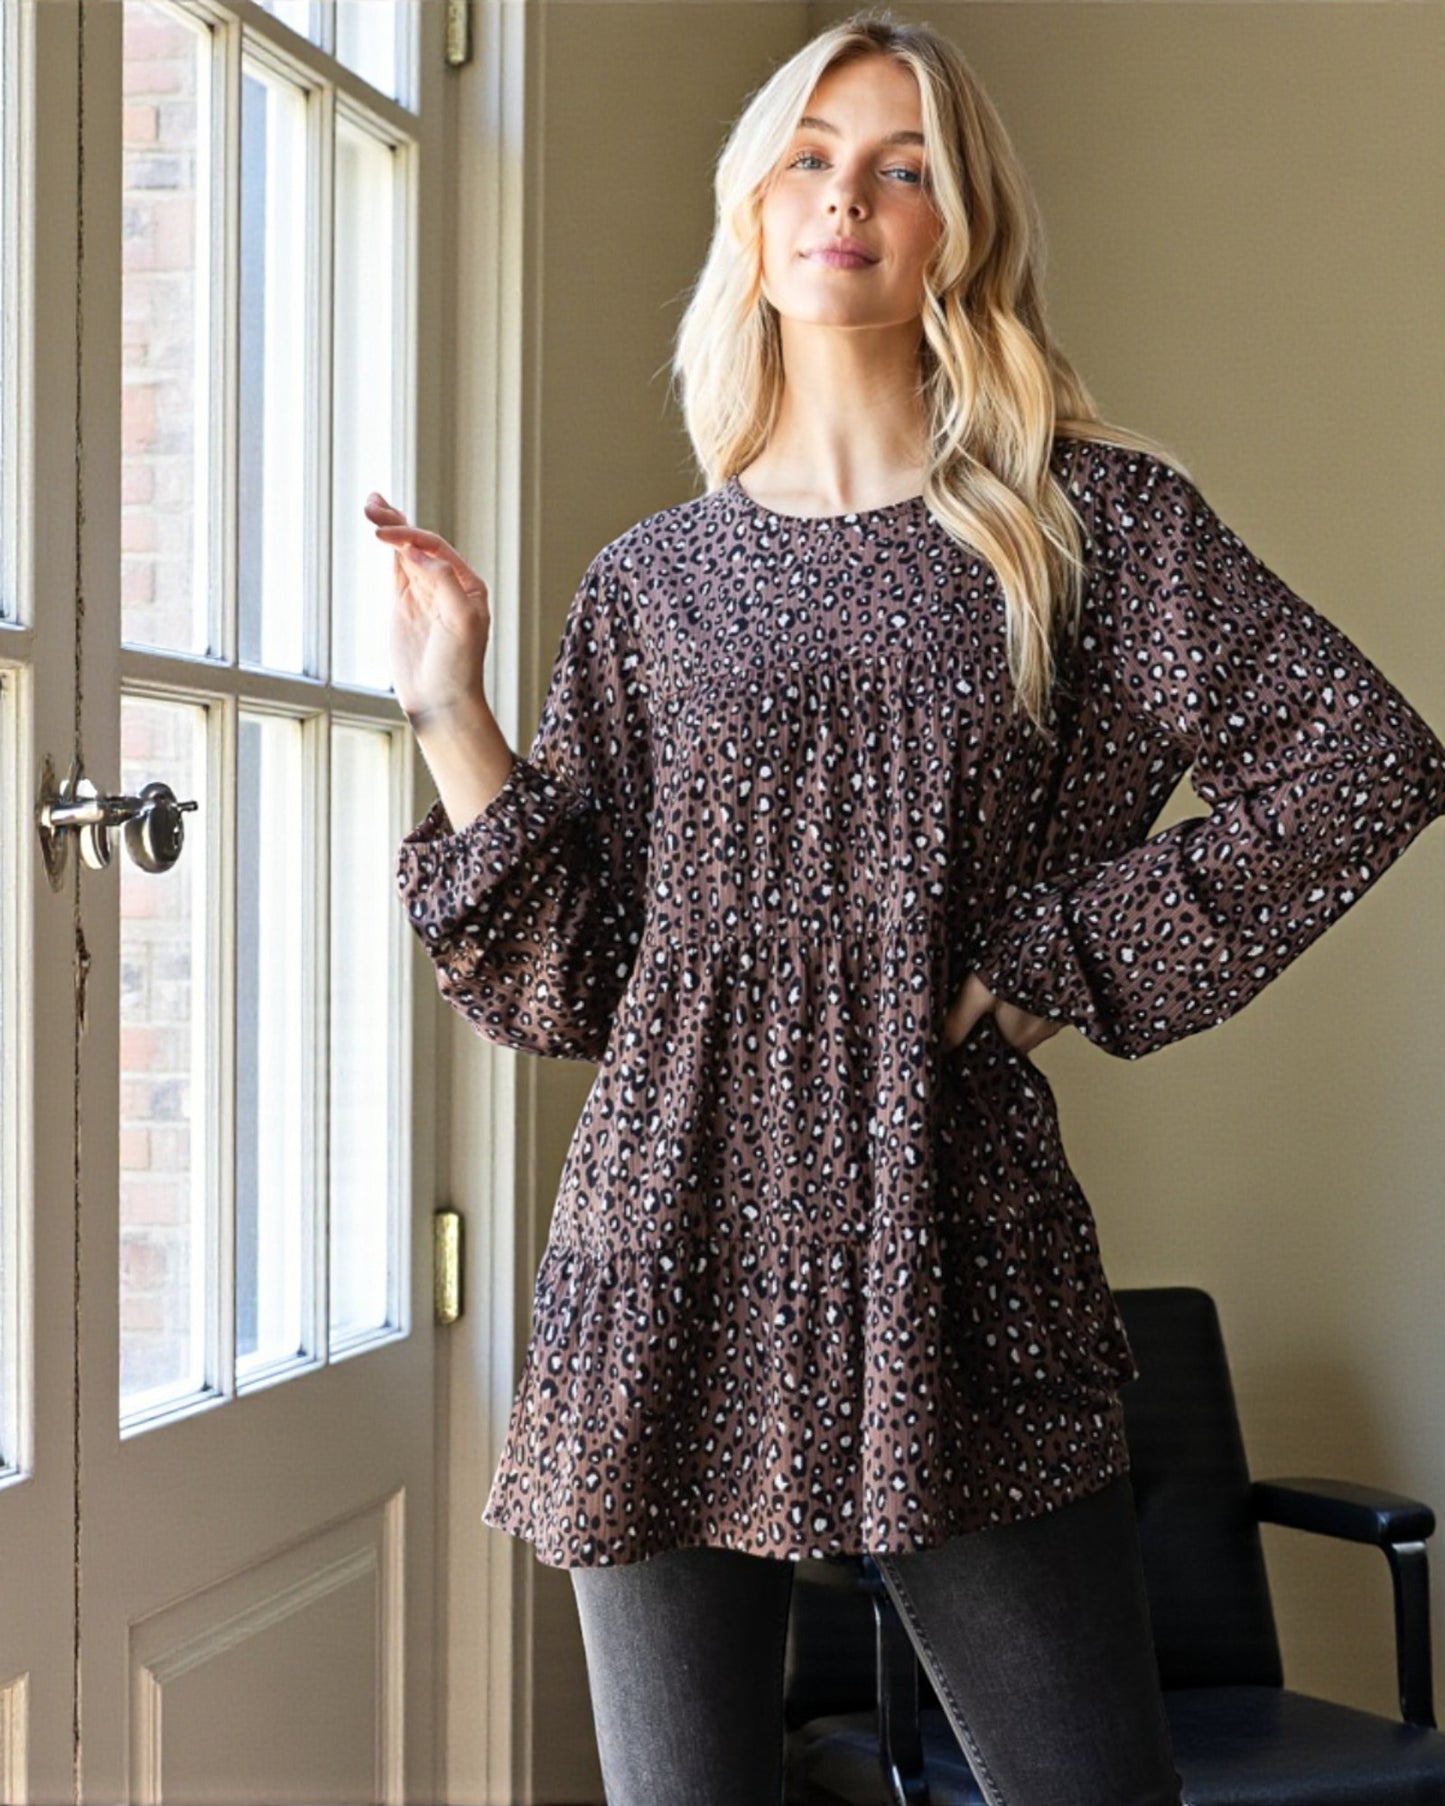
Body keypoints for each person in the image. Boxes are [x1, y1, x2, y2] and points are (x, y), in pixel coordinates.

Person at [366, 12, 1445, 1804]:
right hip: (663, 1233)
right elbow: (569, 981)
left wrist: (1063, 960)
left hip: (947, 1237)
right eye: (808, 155)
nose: (844, 198)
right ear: (753, 208)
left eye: (902, 165)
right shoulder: (656, 579)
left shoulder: (1082, 522)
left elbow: (1359, 758)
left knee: (1087, 1782)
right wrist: (447, 703)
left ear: (964, 222)